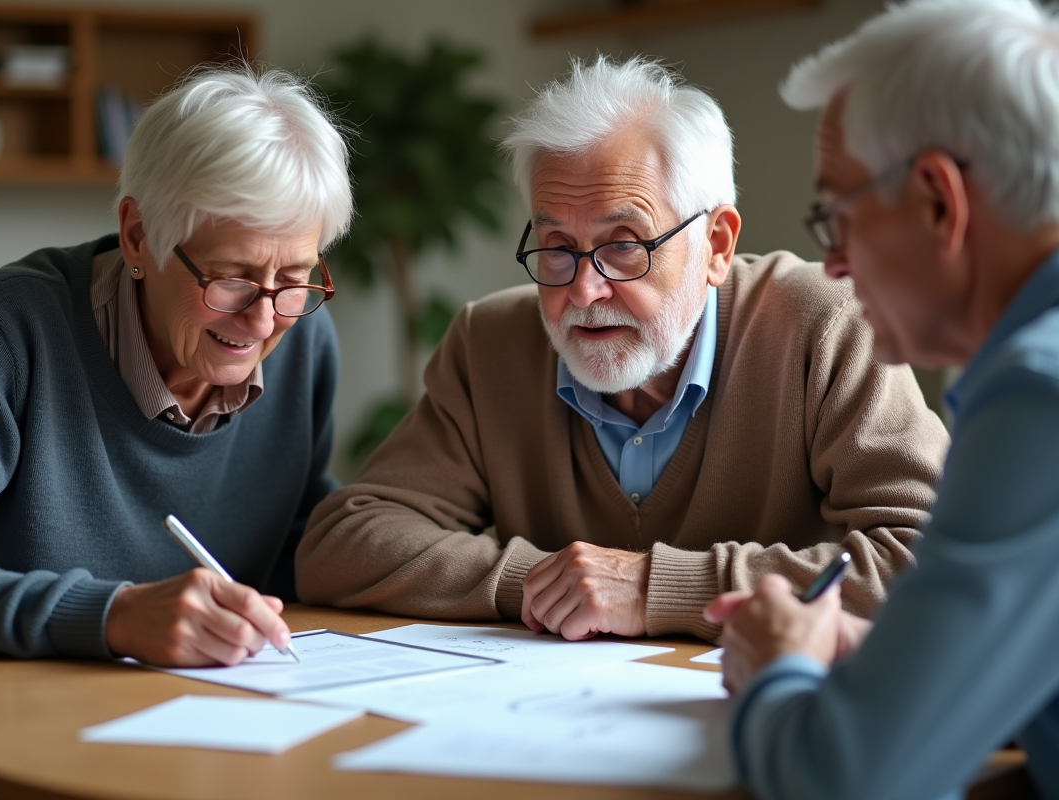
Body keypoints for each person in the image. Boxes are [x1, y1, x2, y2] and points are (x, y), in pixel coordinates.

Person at [296, 56, 949, 643]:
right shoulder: (489, 343)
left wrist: (648, 589)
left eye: (624, 244)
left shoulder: (825, 323)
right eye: (557, 247)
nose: (583, 289)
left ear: (717, 246)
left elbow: (936, 557)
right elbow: (342, 544)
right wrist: (545, 581)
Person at [0, 64, 351, 798]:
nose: (262, 318)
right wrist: (111, 615)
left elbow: (302, 544)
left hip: (175, 724)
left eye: (296, 278)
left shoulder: (302, 339)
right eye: (231, 277)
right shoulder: (9, 328)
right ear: (136, 236)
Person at [704, 1, 1059, 797]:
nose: (832, 265)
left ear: (939, 201)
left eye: (838, 218)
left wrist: (779, 667)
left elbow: (842, 781)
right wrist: (892, 663)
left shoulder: (1040, 400)